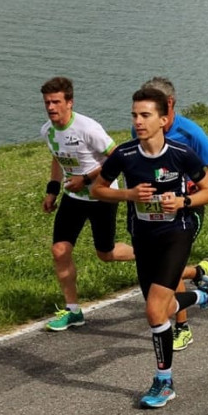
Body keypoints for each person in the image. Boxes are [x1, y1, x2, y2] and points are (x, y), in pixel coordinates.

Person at [91, 87, 208, 409]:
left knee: (154, 310)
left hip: (176, 233)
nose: (138, 121)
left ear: (163, 119)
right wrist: (129, 195)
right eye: (135, 115)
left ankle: (164, 382)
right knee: (161, 310)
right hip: (143, 237)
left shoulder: (180, 153)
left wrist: (183, 201)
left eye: (145, 115)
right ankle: (203, 295)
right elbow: (97, 190)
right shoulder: (124, 155)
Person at [39, 77, 136, 332]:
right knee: (60, 251)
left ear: (69, 102)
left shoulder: (88, 129)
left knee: (106, 253)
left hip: (102, 196)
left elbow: (119, 158)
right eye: (47, 102)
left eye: (56, 102)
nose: (51, 107)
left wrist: (86, 178)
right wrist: (52, 191)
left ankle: (148, 254)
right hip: (74, 199)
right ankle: (73, 311)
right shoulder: (47, 130)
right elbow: (57, 159)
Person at [140, 77, 208, 352]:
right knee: (159, 267)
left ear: (169, 104)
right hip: (153, 213)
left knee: (167, 267)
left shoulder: (189, 132)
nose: (143, 118)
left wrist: (187, 187)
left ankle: (183, 328)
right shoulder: (139, 131)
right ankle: (200, 276)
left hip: (188, 209)